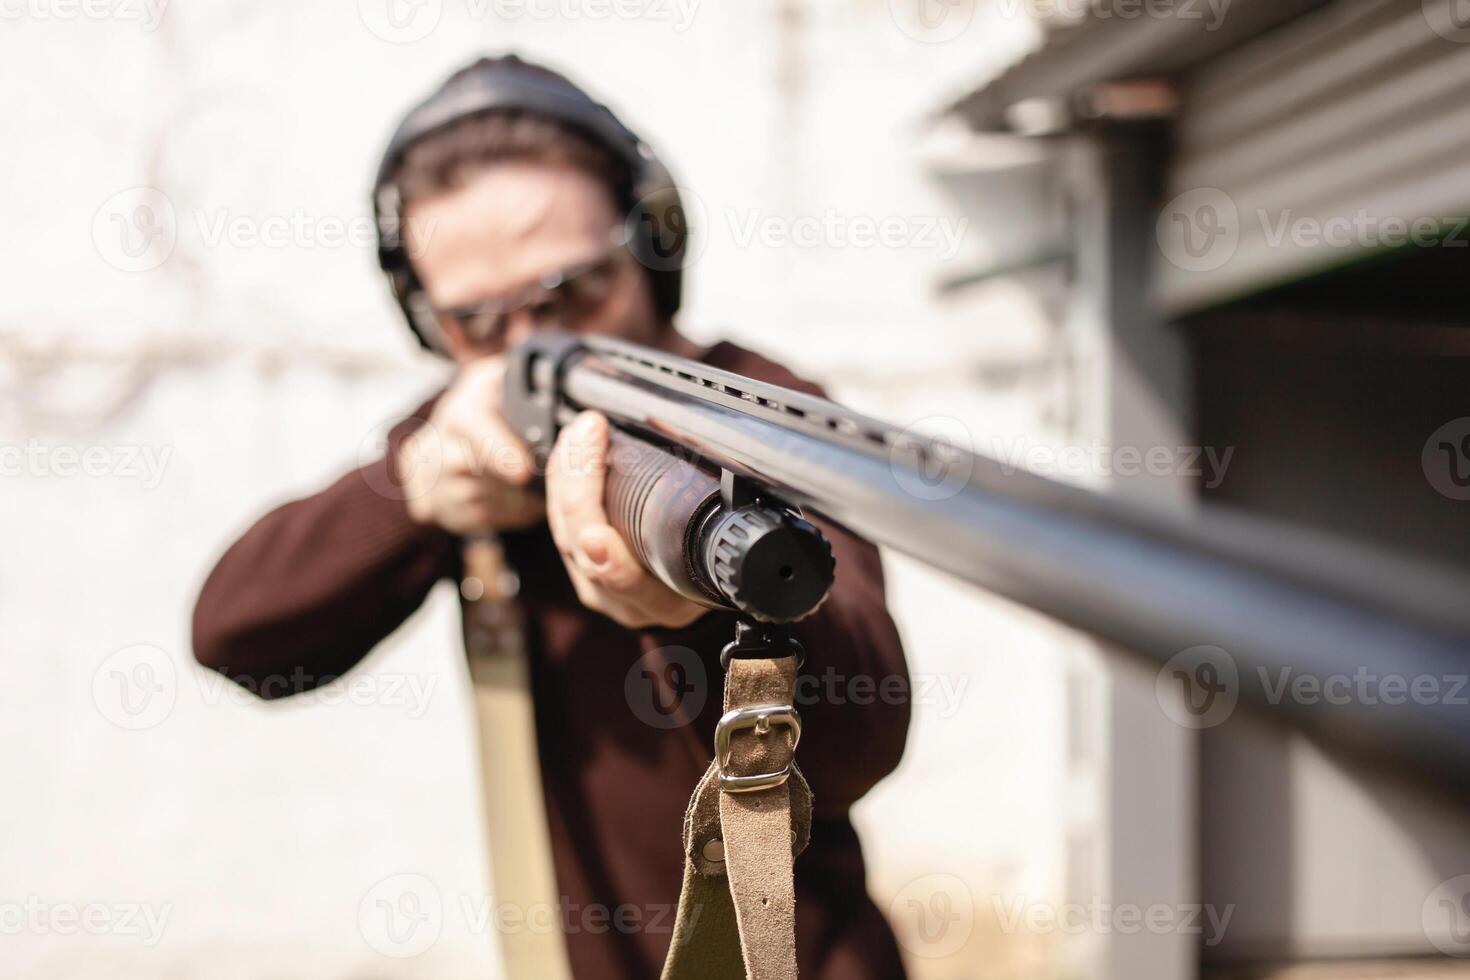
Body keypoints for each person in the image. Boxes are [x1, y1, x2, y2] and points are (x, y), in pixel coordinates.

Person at [192, 54, 910, 980]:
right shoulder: (462, 439)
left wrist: (699, 609)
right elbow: (236, 632)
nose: (535, 349)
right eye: (478, 324)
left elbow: (865, 735)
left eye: (573, 291)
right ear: (428, 324)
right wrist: (412, 499)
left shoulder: (761, 413)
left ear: (653, 248)